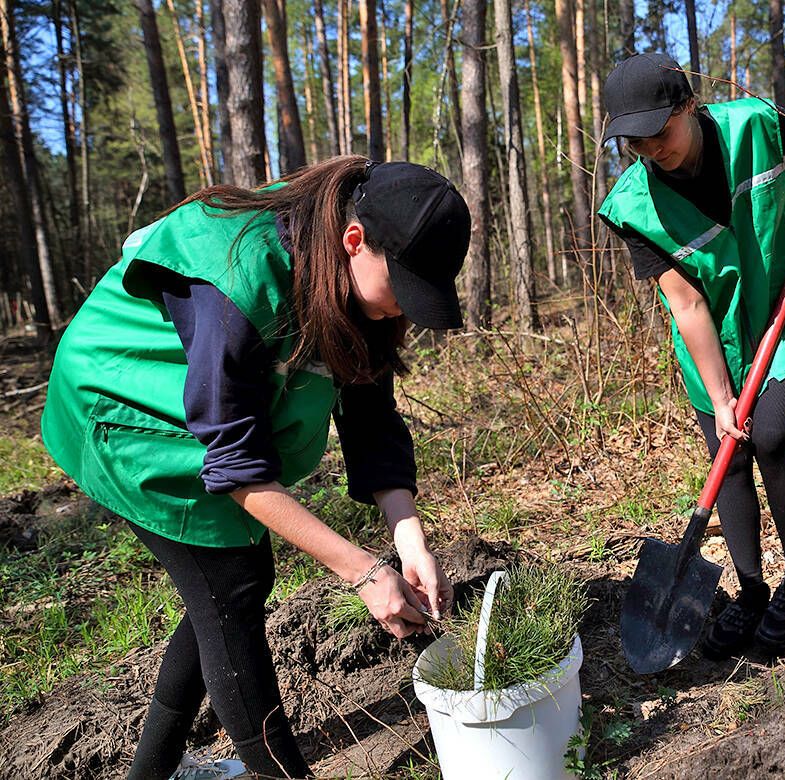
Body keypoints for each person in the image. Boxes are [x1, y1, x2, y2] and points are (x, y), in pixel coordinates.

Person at [41, 157, 470, 779]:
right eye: (400, 289)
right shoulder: (238, 274)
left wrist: (410, 538)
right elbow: (239, 467)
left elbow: (371, 415)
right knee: (232, 587)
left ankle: (150, 773)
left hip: (205, 409)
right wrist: (362, 570)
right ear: (355, 242)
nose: (402, 311)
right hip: (125, 408)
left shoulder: (345, 265)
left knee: (224, 596)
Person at [597, 54, 785, 660]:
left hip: (779, 305)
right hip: (712, 341)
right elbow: (686, 306)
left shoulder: (750, 123)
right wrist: (723, 396)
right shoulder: (632, 206)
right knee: (728, 460)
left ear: (688, 106)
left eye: (661, 132)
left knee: (774, 435)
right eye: (636, 142)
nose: (651, 149)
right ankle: (752, 591)